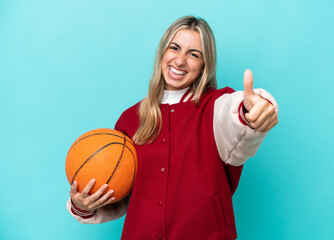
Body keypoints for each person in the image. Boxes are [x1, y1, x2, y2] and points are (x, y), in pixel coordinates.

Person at [66, 16, 279, 240]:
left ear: (205, 64)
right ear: (162, 52)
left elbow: (237, 111)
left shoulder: (215, 106)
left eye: (193, 54)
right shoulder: (130, 119)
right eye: (174, 48)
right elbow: (119, 193)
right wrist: (83, 204)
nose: (179, 60)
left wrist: (255, 109)